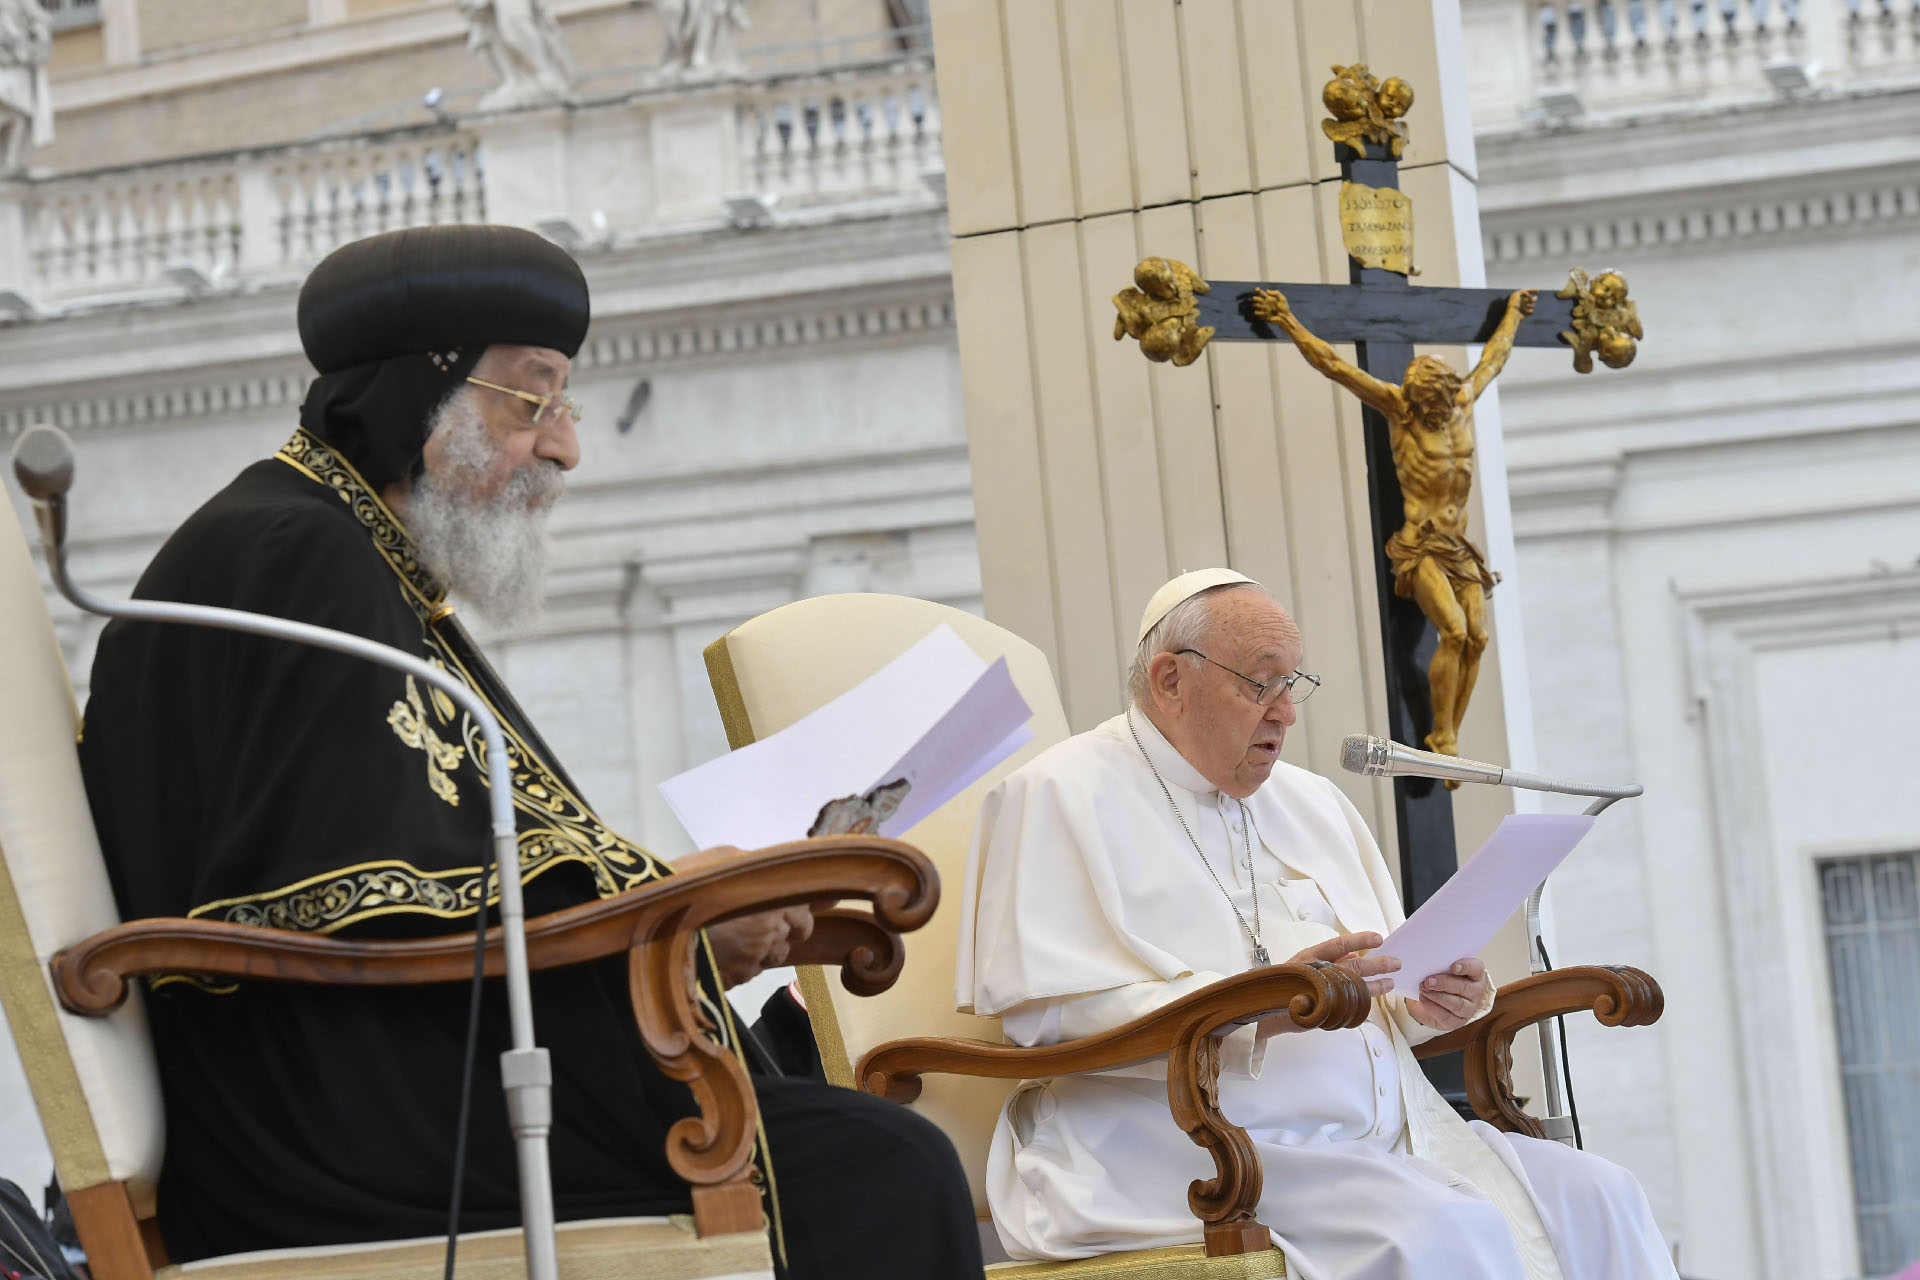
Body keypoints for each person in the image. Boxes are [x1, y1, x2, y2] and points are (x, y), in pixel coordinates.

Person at [77, 224, 980, 1280]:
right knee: (880, 1165)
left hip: (372, 1088)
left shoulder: (348, 551)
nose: (566, 447)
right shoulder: (296, 555)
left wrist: (684, 917)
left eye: (566, 404)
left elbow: (435, 867)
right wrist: (669, 910)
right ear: (424, 392)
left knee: (839, 1114)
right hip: (330, 1130)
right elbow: (353, 902)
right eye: (533, 398)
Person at [956, 568, 1678, 1280]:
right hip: (1174, 1146)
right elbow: (1046, 1016)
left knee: (1602, 1196)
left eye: (1292, 684)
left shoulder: (1314, 802)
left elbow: (1385, 988)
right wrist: (1254, 1009)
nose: (1285, 713)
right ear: (1171, 681)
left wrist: (1429, 1003)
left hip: (1382, 1141)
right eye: (1260, 682)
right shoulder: (1057, 794)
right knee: (1439, 1228)